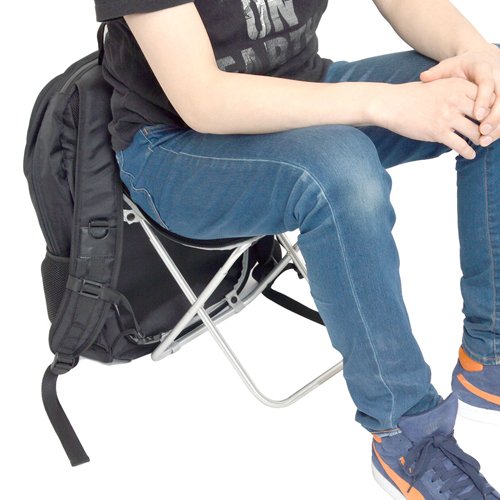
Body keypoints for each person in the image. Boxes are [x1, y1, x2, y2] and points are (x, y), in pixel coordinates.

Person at [94, 0, 500, 497]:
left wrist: (477, 54)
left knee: (489, 92)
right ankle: (405, 435)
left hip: (302, 92)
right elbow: (204, 99)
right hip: (176, 148)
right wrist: (386, 103)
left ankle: (490, 357)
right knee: (341, 170)